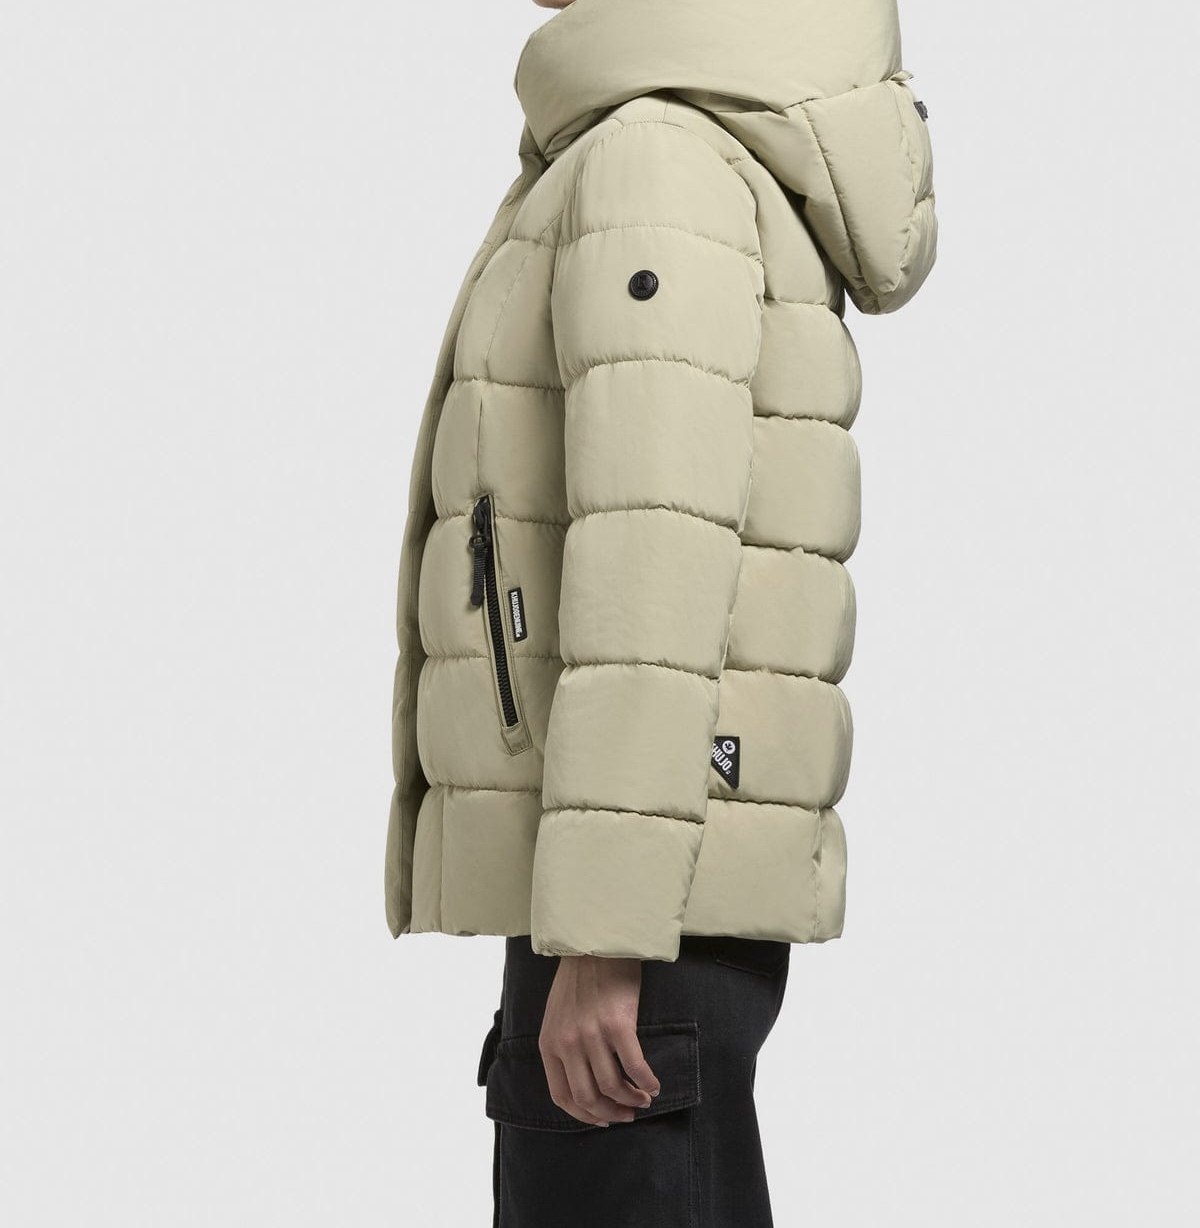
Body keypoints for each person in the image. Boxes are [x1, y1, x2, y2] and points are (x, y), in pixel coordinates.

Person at [384, 0, 938, 1222]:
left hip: (635, 889)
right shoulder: (678, 140)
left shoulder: (657, 155)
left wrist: (605, 933)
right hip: (632, 861)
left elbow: (654, 550)